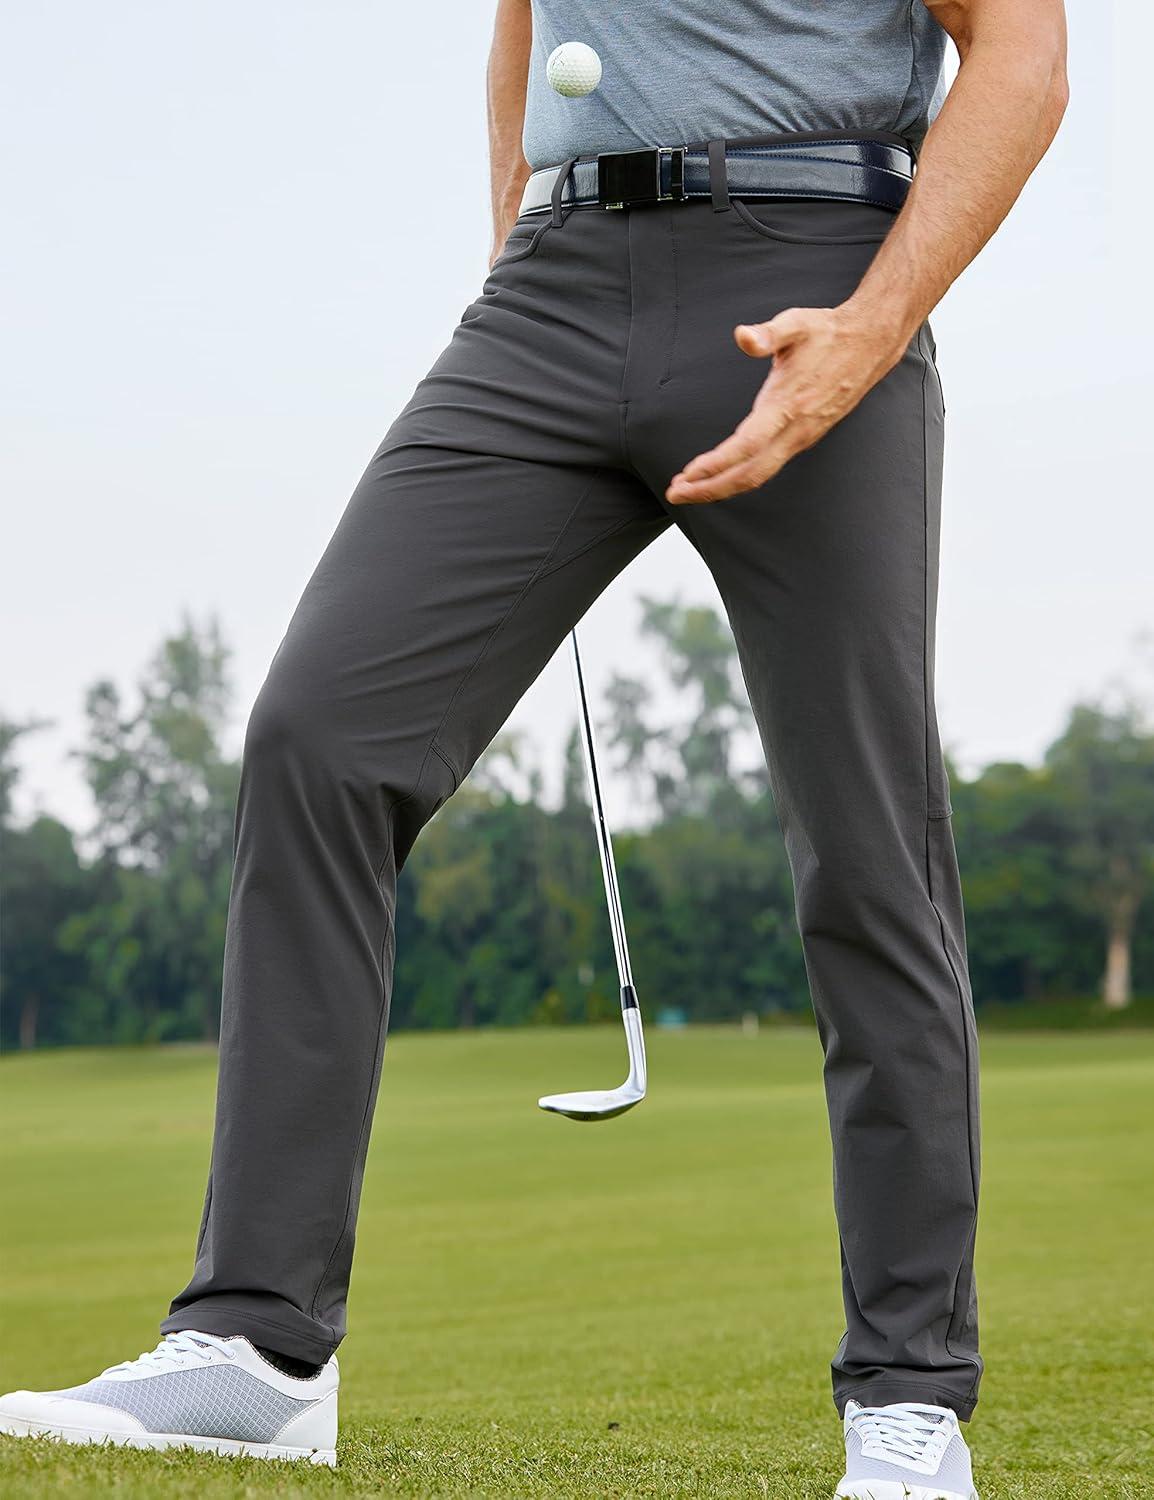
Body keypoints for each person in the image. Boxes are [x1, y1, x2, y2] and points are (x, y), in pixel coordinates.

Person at [0, 1, 1067, 1493]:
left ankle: (907, 1402)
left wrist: (874, 325)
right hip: (550, 293)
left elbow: (1021, 47)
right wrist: (518, 243)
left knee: (866, 842)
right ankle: (254, 1348)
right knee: (317, 742)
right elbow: (523, 24)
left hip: (812, 265)